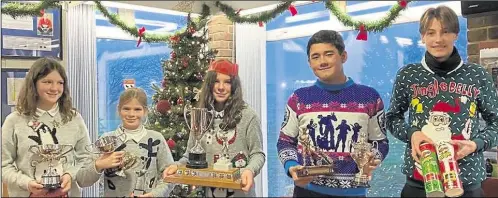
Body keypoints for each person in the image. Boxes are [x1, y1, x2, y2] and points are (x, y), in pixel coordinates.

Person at [386, 5, 498, 197]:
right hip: (420, 178)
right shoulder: (408, 75)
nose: (438, 39)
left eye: (445, 32)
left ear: (456, 34)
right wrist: (412, 134)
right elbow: (392, 118)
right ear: (422, 36)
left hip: (466, 179)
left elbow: (496, 122)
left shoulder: (477, 75)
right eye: (431, 33)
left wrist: (476, 144)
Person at [276, 30, 389, 197]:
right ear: (309, 62)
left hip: (353, 193)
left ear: (343, 56)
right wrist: (291, 166)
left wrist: (373, 158)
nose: (322, 62)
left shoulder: (369, 97)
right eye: (315, 57)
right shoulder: (298, 98)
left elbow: (381, 142)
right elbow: (285, 141)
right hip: (306, 191)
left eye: (328, 54)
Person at [162, 59, 266, 197]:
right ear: (209, 85)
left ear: (234, 86)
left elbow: (257, 154)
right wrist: (177, 166)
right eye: (216, 81)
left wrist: (249, 170)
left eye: (227, 82)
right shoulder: (201, 115)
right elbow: (189, 156)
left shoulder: (248, 116)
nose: (221, 87)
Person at [1, 57, 95, 197]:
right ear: (33, 84)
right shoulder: (14, 121)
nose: (55, 88)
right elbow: (4, 166)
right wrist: (26, 183)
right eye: (47, 82)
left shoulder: (74, 118)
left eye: (60, 83)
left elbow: (86, 158)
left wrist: (70, 175)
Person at [77, 87, 175, 197]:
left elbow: (170, 177)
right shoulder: (106, 141)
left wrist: (154, 195)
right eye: (126, 109)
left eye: (137, 109)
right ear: (119, 110)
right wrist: (99, 165)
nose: (131, 114)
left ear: (145, 111)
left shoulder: (156, 139)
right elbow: (82, 179)